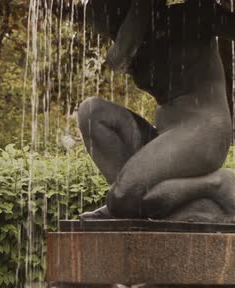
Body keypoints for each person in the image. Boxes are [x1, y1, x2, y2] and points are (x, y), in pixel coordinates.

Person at [79, 0, 235, 221]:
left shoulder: (195, 13)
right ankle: (130, 203)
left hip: (204, 132)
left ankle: (217, 183)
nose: (112, 34)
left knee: (124, 194)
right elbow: (118, 58)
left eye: (114, 25)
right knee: (91, 112)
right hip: (166, 137)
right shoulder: (133, 45)